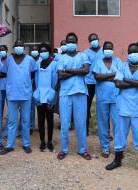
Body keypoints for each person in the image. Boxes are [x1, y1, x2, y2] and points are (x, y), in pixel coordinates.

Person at [106, 43, 138, 178]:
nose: (133, 54)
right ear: (127, 54)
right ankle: (117, 160)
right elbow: (118, 84)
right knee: (120, 134)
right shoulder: (122, 66)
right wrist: (135, 82)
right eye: (130, 52)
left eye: (135, 51)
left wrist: (126, 79)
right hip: (123, 107)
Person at [57, 32, 91, 160]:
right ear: (66, 43)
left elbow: (86, 71)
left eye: (73, 41)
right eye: (68, 41)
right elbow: (60, 75)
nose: (70, 43)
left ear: (76, 43)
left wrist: (68, 70)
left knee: (80, 123)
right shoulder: (61, 58)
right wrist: (78, 71)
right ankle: (63, 149)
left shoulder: (83, 56)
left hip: (80, 92)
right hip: (65, 93)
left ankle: (82, 149)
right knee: (65, 123)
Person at [0, 39, 37, 155]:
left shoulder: (30, 59)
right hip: (12, 94)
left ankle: (26, 144)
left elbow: (33, 73)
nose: (19, 47)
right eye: (17, 46)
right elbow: (4, 73)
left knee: (25, 120)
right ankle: (10, 145)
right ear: (13, 48)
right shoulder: (9, 60)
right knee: (11, 121)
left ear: (24, 47)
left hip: (26, 94)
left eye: (21, 45)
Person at [93, 41, 122, 158]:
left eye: (110, 48)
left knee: (117, 124)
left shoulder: (118, 62)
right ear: (103, 50)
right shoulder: (98, 63)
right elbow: (97, 77)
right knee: (103, 123)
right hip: (102, 98)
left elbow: (120, 76)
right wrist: (112, 75)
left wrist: (104, 77)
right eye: (106, 48)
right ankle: (105, 148)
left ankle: (118, 148)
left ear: (113, 49)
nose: (108, 50)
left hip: (116, 97)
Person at [34, 43, 58, 152]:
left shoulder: (54, 64)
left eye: (45, 51)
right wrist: (36, 94)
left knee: (50, 119)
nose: (43, 53)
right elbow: (35, 80)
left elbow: (57, 82)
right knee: (40, 120)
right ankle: (42, 141)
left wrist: (53, 97)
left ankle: (49, 141)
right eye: (41, 51)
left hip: (50, 95)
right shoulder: (37, 64)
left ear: (49, 52)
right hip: (39, 95)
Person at [84, 33, 104, 136]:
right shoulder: (86, 53)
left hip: (102, 82)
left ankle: (104, 131)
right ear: (89, 42)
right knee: (86, 106)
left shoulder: (104, 51)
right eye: (91, 40)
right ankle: (85, 129)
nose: (94, 41)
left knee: (103, 107)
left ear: (98, 39)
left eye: (95, 39)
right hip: (89, 82)